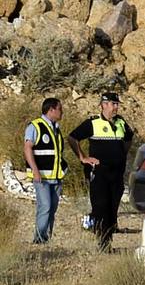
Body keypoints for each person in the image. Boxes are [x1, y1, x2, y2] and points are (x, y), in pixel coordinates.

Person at [69, 92, 135, 252]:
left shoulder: (121, 122)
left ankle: (107, 238)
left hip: (117, 173)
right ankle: (103, 242)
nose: (116, 107)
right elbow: (73, 137)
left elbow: (128, 138)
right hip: (99, 173)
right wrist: (83, 157)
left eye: (117, 104)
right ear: (104, 105)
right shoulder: (93, 122)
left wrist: (121, 154)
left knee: (113, 207)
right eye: (113, 104)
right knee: (101, 206)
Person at [24, 97, 84, 244]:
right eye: (60, 109)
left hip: (56, 177)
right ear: (51, 110)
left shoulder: (55, 128)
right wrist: (35, 171)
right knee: (45, 206)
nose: (62, 112)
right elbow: (27, 149)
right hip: (42, 177)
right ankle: (39, 240)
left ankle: (46, 239)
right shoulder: (35, 126)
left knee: (52, 209)